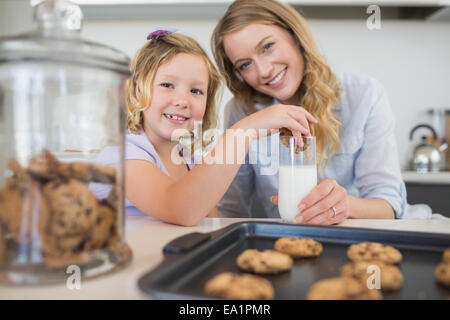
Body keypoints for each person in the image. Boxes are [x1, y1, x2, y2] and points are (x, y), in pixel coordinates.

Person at [211, 0, 408, 224]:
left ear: (294, 35)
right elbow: (231, 209)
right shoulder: (242, 112)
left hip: (362, 240)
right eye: (245, 65)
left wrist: (345, 205)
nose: (263, 71)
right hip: (292, 242)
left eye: (267, 47)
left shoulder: (364, 95)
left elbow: (389, 206)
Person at [92, 30, 316, 226]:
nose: (182, 101)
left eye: (196, 91)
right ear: (136, 91)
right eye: (167, 85)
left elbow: (211, 226)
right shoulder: (121, 155)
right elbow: (180, 210)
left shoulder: (191, 160)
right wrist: (243, 131)